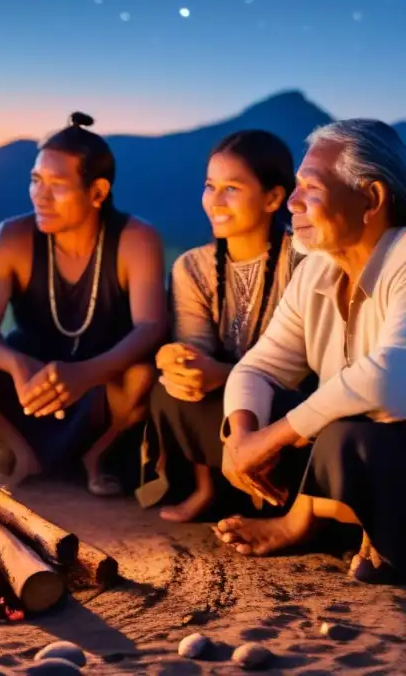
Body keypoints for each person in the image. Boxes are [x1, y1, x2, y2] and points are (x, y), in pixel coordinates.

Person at [215, 119, 406, 584]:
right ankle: (345, 515)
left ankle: (306, 522)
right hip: (348, 442)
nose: (294, 203)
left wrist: (276, 436)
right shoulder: (317, 270)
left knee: (344, 437)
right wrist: (243, 437)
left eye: (310, 188)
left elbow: (389, 381)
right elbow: (259, 366)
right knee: (223, 416)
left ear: (372, 199)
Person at [0, 112, 167, 494]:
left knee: (142, 376)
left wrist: (85, 373)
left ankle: (99, 456)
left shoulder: (135, 238)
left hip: (101, 382)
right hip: (28, 382)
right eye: (35, 180)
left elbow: (151, 325)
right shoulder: (13, 235)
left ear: (97, 192)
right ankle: (14, 450)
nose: (40, 195)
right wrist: (16, 363)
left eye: (57, 185)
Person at [138, 130, 301, 522]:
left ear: (273, 198)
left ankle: (291, 504)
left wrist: (227, 377)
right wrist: (181, 362)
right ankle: (208, 489)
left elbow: (310, 373)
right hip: (218, 407)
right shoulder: (192, 267)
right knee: (169, 392)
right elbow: (197, 351)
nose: (215, 201)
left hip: (286, 406)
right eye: (210, 186)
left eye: (232, 188)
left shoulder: (304, 261)